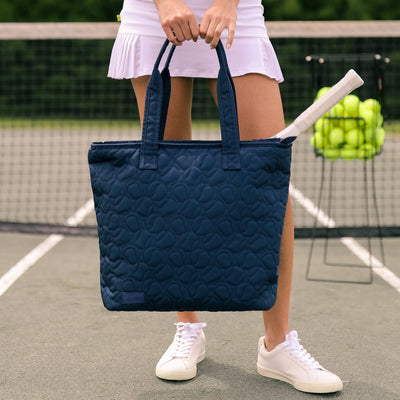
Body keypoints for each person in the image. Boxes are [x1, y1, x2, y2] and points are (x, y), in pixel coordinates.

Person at [107, 0, 343, 394]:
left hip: (237, 14)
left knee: (268, 177)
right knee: (170, 180)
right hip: (154, 15)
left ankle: (278, 343)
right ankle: (188, 329)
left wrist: (228, 2)